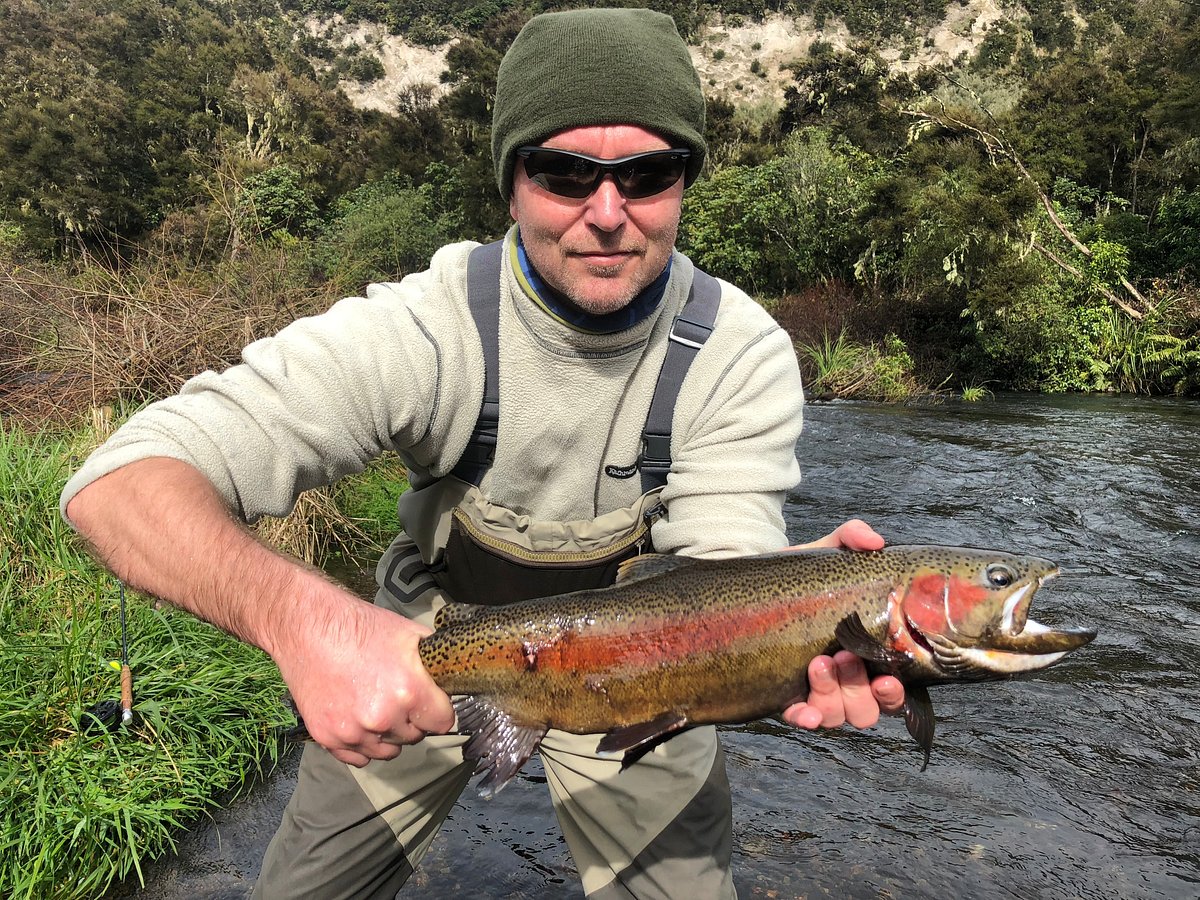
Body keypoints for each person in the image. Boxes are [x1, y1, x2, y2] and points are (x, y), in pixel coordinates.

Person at [62, 8, 903, 899]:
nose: (608, 213)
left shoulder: (737, 352)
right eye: (565, 172)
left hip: (646, 666)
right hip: (427, 644)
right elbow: (119, 482)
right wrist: (314, 628)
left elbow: (722, 568)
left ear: (685, 183)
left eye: (647, 174)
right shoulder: (427, 327)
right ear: (512, 184)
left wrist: (799, 607)